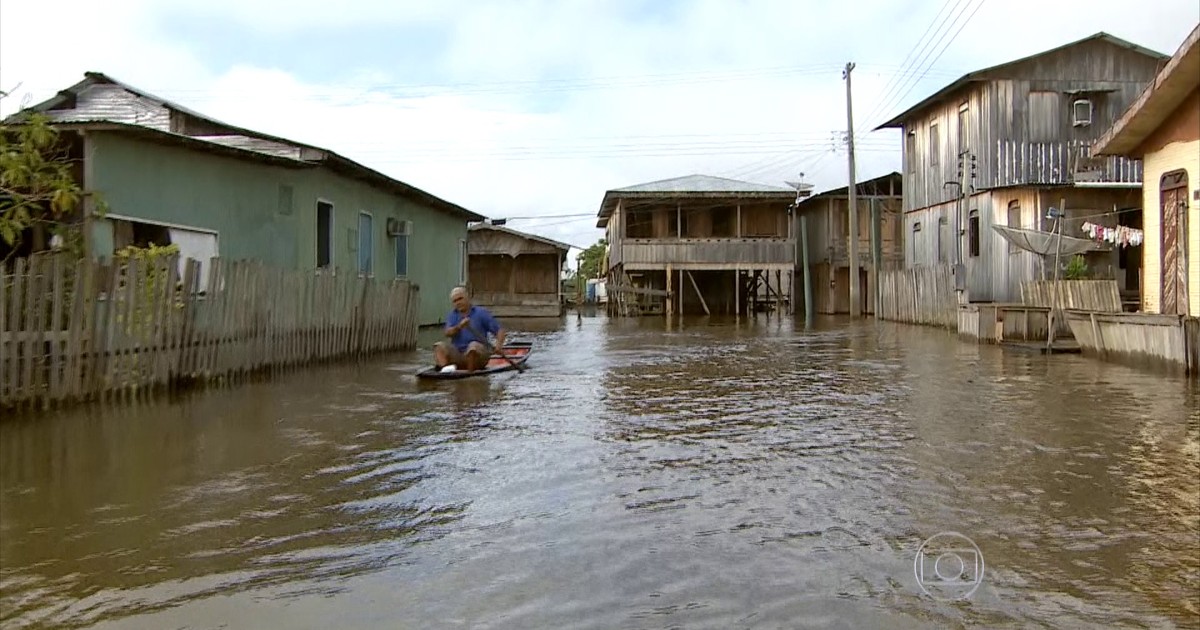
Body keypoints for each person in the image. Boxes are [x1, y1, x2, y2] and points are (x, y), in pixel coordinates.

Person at [433, 286, 508, 372]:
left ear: (467, 297)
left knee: (473, 347)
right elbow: (447, 333)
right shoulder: (452, 315)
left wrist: (498, 346)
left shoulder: (481, 313)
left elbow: (500, 330)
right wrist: (459, 327)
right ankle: (444, 371)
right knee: (439, 346)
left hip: (478, 356)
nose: (458, 303)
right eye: (455, 301)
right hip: (459, 355)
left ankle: (470, 374)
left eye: (460, 299)